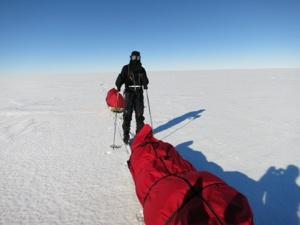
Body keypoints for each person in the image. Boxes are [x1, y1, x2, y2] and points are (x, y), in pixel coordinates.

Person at [115, 51, 149, 144]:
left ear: (140, 58)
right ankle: (126, 135)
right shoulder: (126, 68)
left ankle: (139, 135)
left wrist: (145, 83)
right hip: (129, 93)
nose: (136, 59)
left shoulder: (142, 69)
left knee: (139, 115)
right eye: (134, 57)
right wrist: (118, 85)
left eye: (137, 57)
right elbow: (121, 77)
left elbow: (146, 80)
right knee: (127, 115)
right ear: (131, 57)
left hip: (139, 94)